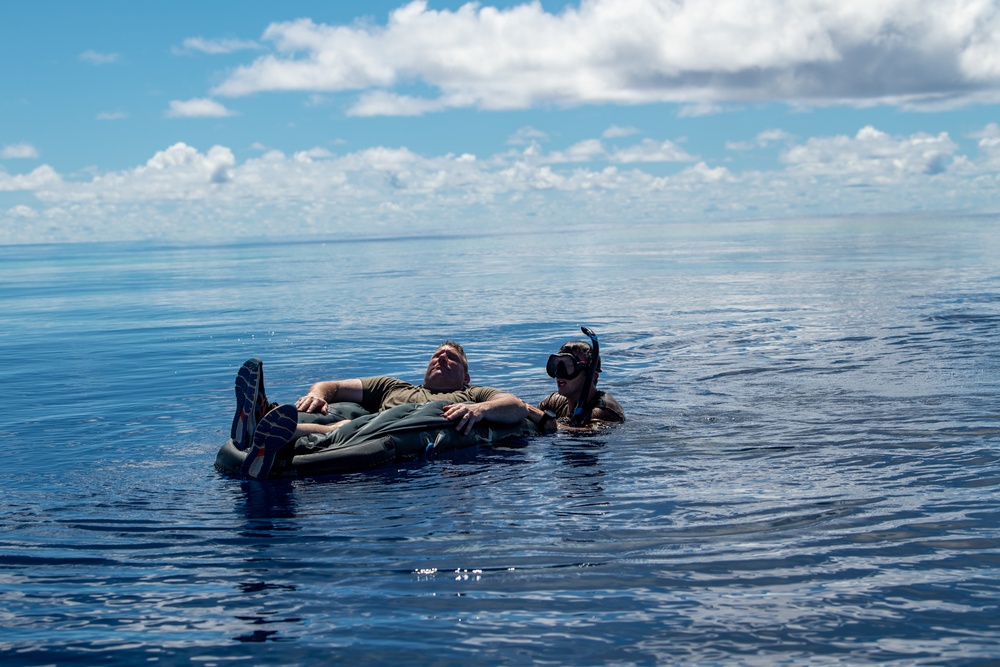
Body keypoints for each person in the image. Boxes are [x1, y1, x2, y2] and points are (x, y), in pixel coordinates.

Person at [231, 341, 527, 479]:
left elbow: (515, 406)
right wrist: (316, 395)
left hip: (395, 429)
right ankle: (263, 425)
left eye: (451, 359)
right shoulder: (391, 386)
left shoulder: (471, 393)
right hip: (367, 424)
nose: (441, 359)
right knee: (338, 419)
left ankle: (262, 432)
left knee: (359, 427)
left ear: (466, 376)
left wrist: (480, 409)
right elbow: (331, 385)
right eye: (436, 355)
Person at [524, 339, 624, 432]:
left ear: (592, 376)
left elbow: (590, 434)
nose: (559, 373)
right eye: (557, 365)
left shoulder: (603, 411)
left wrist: (548, 422)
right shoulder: (554, 401)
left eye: (569, 366)